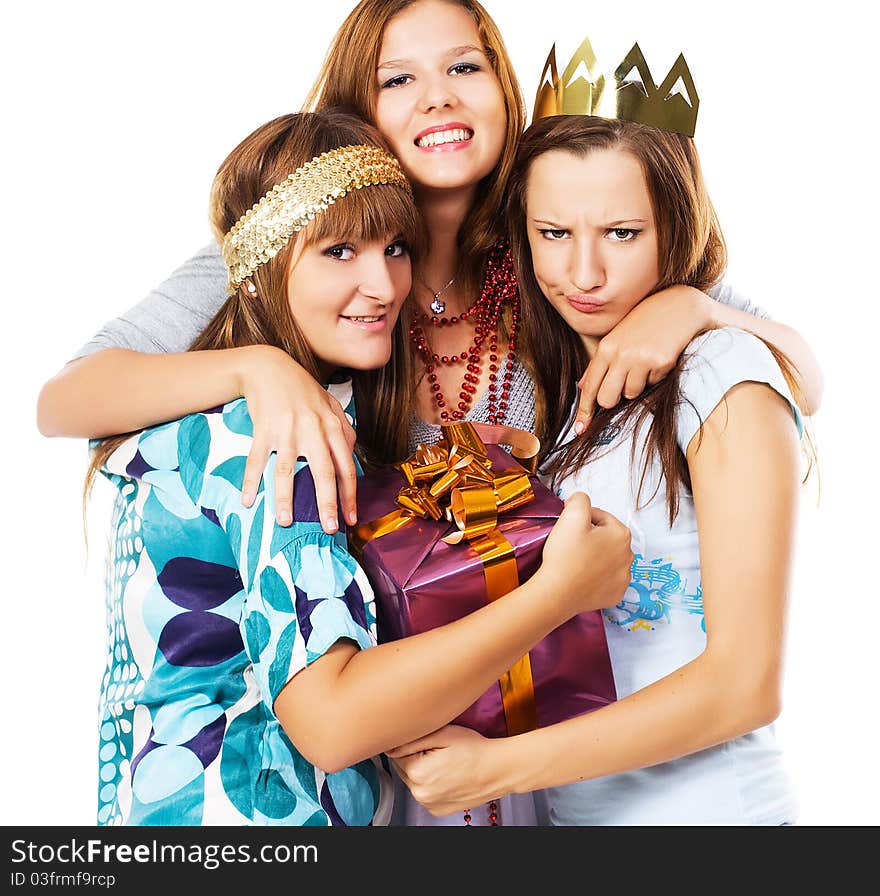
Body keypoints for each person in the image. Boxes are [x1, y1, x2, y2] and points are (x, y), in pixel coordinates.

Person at [37, 0, 822, 825]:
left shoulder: (559, 233)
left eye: (464, 68)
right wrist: (256, 366)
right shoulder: (314, 227)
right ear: (358, 111)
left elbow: (791, 376)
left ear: (502, 90)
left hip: (544, 733)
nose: (438, 99)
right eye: (399, 78)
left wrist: (696, 308)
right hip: (381, 742)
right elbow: (67, 398)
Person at [87, 107, 634, 826]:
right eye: (339, 252)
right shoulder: (282, 430)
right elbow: (334, 721)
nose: (382, 285)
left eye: (396, 248)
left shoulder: (197, 409)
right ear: (253, 272)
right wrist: (557, 593)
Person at [387, 41, 809, 825]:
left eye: (621, 234)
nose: (583, 274)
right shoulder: (564, 403)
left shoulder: (723, 374)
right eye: (553, 235)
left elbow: (745, 686)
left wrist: (497, 769)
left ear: (674, 226)